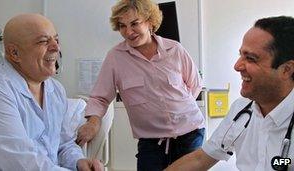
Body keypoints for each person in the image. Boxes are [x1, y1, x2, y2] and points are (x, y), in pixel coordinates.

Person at [76, 0, 205, 170]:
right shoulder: (116, 58)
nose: (128, 32)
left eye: (134, 23)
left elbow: (194, 85)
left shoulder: (175, 50)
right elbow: (100, 97)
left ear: (150, 22)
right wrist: (93, 123)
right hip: (151, 143)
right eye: (122, 26)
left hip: (191, 133)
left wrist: (178, 110)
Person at [165, 15, 294, 171]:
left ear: (286, 69)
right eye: (240, 55)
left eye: (251, 58)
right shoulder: (241, 109)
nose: (237, 66)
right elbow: (200, 159)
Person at [0, 13, 103, 171]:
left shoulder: (56, 89)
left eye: (56, 39)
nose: (56, 47)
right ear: (14, 53)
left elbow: (63, 144)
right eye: (43, 41)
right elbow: (20, 162)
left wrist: (78, 163)